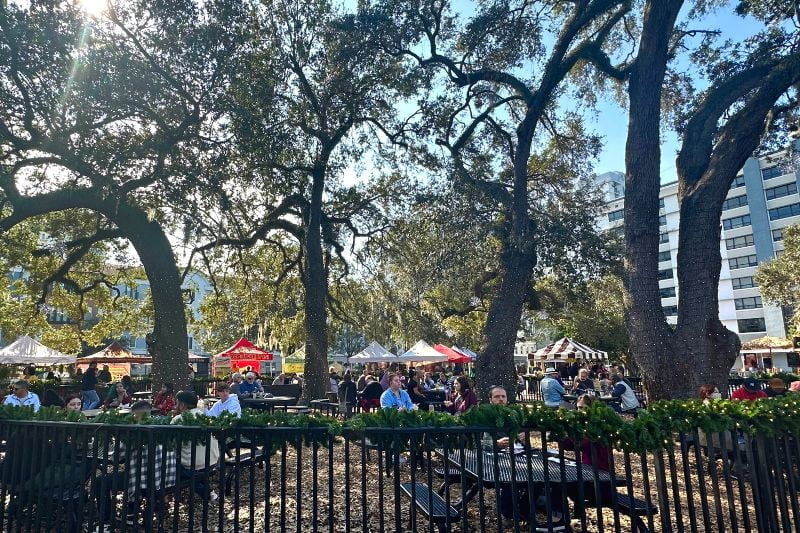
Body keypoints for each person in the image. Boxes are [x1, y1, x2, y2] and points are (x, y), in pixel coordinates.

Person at [93, 401, 178, 530]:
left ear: (134, 414)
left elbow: (116, 457)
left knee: (100, 482)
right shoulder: (163, 427)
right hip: (165, 478)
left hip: (142, 480)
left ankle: (106, 519)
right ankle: (130, 513)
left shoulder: (134, 432)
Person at [172, 391, 220, 502]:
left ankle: (208, 493)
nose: (176, 406)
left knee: (171, 468)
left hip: (192, 464)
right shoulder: (205, 416)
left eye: (177, 403)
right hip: (212, 460)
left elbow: (171, 444)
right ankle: (210, 493)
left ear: (182, 404)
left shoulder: (179, 419)